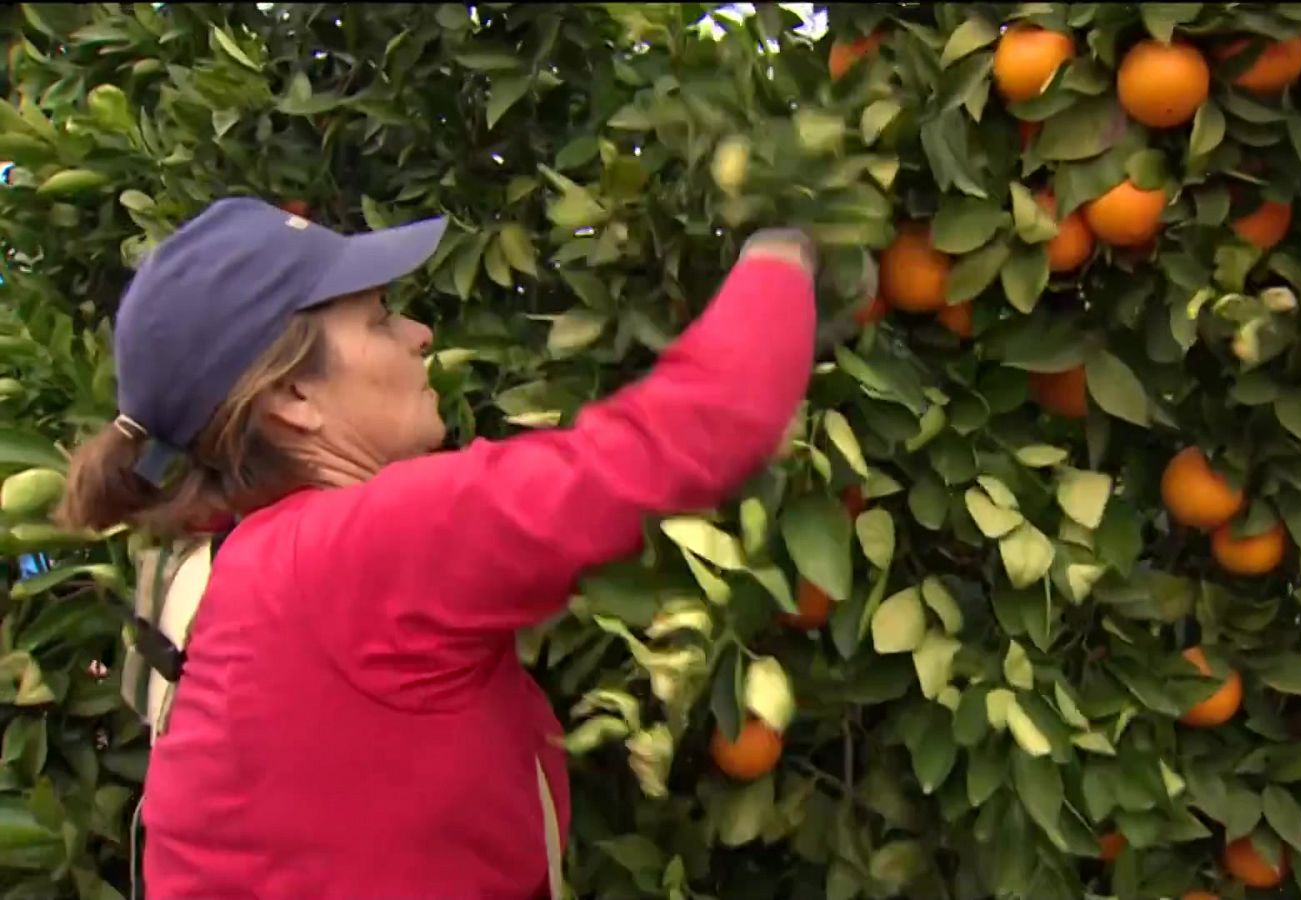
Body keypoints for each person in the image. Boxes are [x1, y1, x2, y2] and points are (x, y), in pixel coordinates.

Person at [54, 196, 828, 898]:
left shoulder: (232, 563)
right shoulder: (356, 551)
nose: (419, 334)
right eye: (381, 317)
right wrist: (781, 254)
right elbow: (688, 434)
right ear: (293, 399)